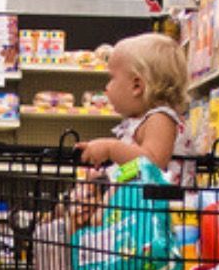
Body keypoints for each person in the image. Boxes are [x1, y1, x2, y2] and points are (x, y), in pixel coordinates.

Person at [78, 32, 189, 168]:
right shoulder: (141, 122)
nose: (107, 87)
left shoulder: (161, 119)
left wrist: (111, 148)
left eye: (112, 78)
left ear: (137, 86)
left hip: (160, 190)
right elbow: (135, 168)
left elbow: (154, 165)